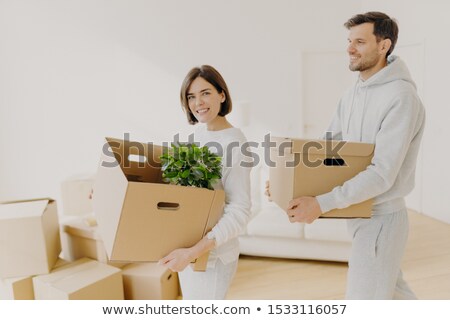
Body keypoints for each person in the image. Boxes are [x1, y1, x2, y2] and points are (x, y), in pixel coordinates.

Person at [275, 12, 425, 299]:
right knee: (393, 294)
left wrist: (322, 203)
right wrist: (289, 182)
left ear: (384, 46)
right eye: (349, 41)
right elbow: (329, 149)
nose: (349, 48)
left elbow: (382, 174)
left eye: (359, 41)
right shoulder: (353, 93)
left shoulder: (401, 97)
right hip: (359, 214)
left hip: (381, 218)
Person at [159, 65, 252, 299]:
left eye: (206, 93)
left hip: (212, 255)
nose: (198, 102)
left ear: (222, 95)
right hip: (187, 249)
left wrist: (193, 252)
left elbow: (239, 212)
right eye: (191, 96)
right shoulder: (195, 137)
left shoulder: (235, 144)